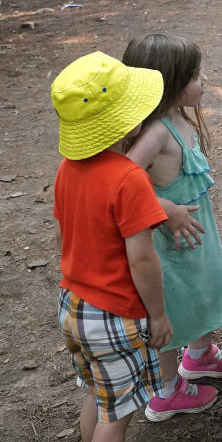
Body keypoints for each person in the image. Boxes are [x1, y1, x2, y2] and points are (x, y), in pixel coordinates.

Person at [122, 34, 222, 422]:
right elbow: (121, 182)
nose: (203, 79)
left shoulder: (177, 118)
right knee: (174, 307)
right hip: (168, 244)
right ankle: (165, 391)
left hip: (192, 236)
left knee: (202, 291)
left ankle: (200, 356)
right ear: (168, 83)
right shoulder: (157, 131)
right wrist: (163, 207)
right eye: (195, 74)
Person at [51, 51, 171, 441]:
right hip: (114, 313)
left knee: (102, 398)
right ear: (130, 121)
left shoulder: (67, 167)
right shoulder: (129, 178)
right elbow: (142, 258)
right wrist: (158, 315)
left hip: (73, 305)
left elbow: (61, 236)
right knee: (117, 416)